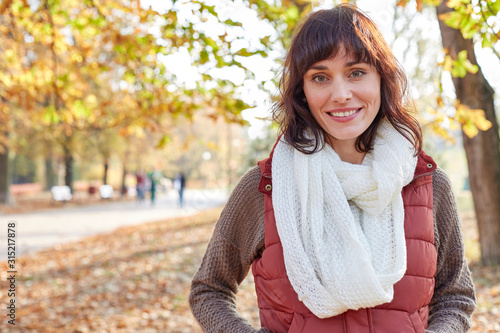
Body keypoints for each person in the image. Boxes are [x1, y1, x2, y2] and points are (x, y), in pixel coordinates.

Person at [189, 5, 476, 333]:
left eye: (356, 72)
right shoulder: (265, 186)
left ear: (382, 78)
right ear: (303, 91)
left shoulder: (428, 184)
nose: (340, 94)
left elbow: (455, 295)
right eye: (320, 77)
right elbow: (209, 290)